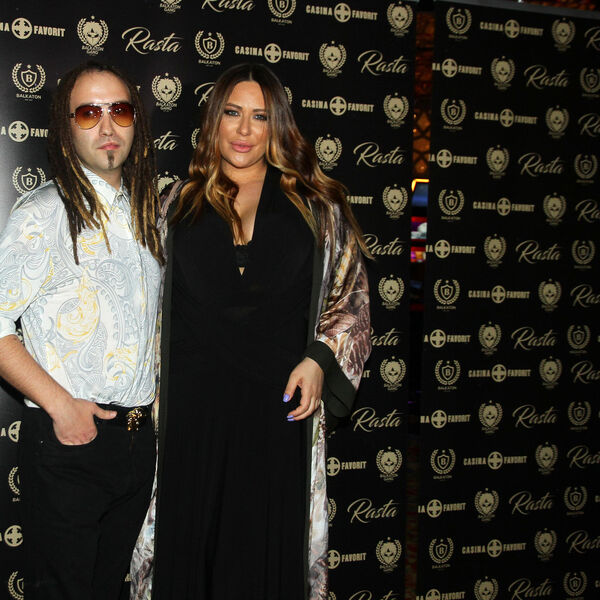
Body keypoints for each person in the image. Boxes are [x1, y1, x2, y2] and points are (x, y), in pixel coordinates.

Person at [130, 62, 371, 600]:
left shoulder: (317, 206)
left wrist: (319, 359)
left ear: (276, 125)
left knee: (264, 557)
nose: (243, 130)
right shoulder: (175, 204)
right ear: (213, 121)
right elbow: (139, 301)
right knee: (189, 553)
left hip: (278, 417)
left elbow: (352, 295)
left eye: (259, 117)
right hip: (192, 418)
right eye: (232, 113)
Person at [0, 61, 163, 599]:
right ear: (66, 126)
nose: (107, 126)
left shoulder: (148, 213)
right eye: (89, 112)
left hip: (137, 444)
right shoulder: (44, 212)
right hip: (71, 444)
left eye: (120, 110)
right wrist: (61, 406)